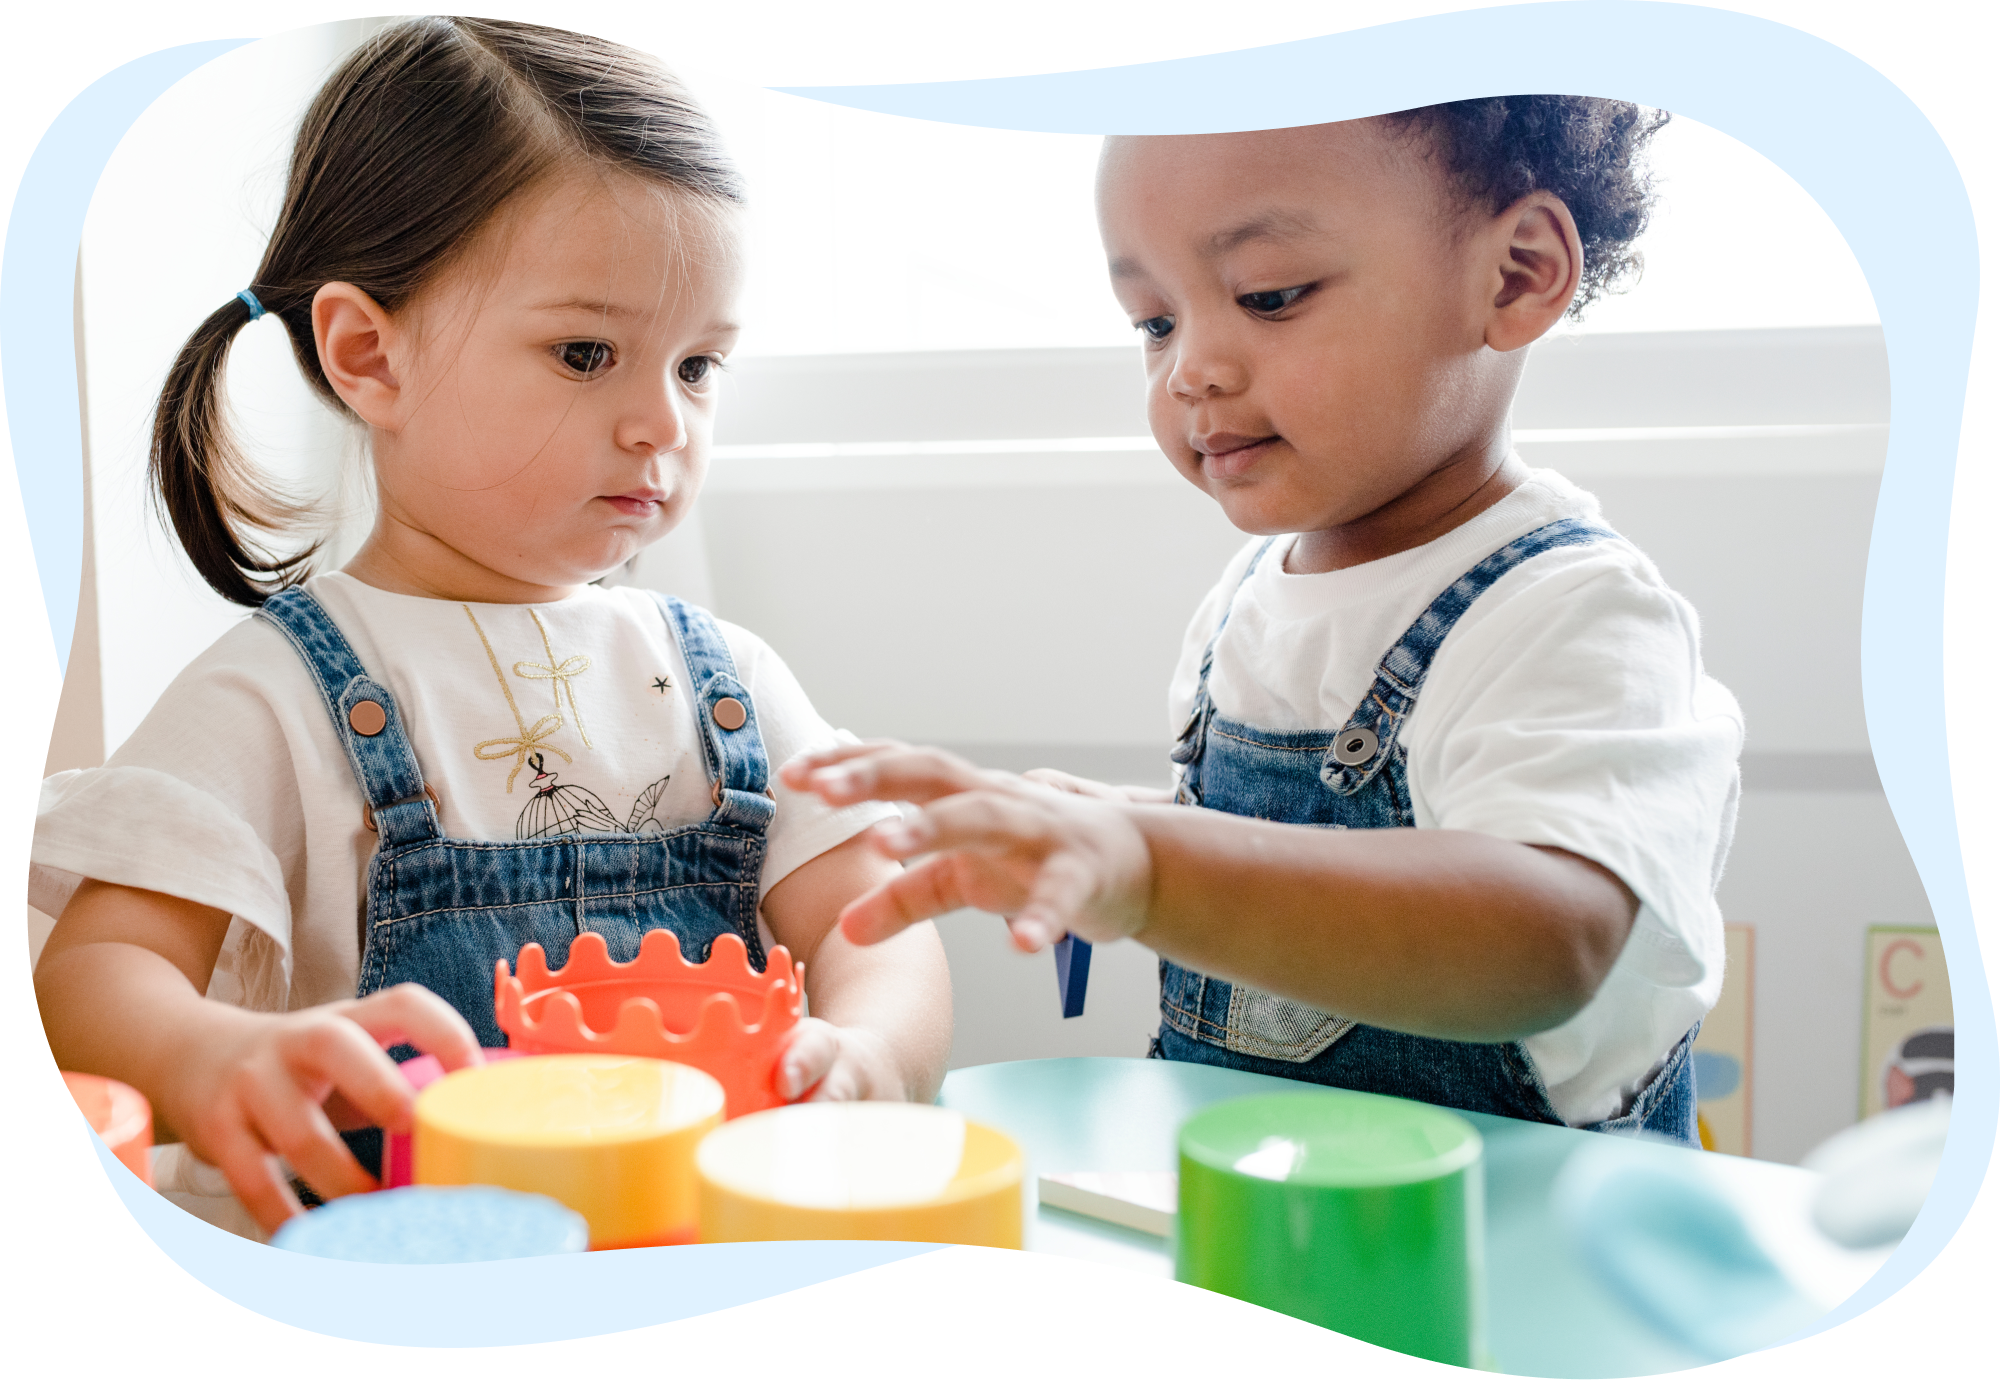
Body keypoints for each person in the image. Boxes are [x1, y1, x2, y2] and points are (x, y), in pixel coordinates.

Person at [32, 18, 951, 1235]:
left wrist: (869, 1053)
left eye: (697, 366)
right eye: (587, 352)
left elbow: (872, 925)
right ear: (369, 355)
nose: (662, 425)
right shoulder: (276, 694)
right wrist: (211, 1060)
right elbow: (92, 980)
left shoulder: (726, 679)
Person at [784, 100, 1741, 1142]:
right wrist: (1112, 825)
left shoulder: (1572, 616)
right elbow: (1295, 847)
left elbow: (1547, 938)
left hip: (1519, 1258)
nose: (1190, 366)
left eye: (1267, 295)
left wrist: (1151, 862)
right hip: (1273, 1218)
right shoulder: (1246, 599)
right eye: (1153, 321)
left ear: (1513, 274)